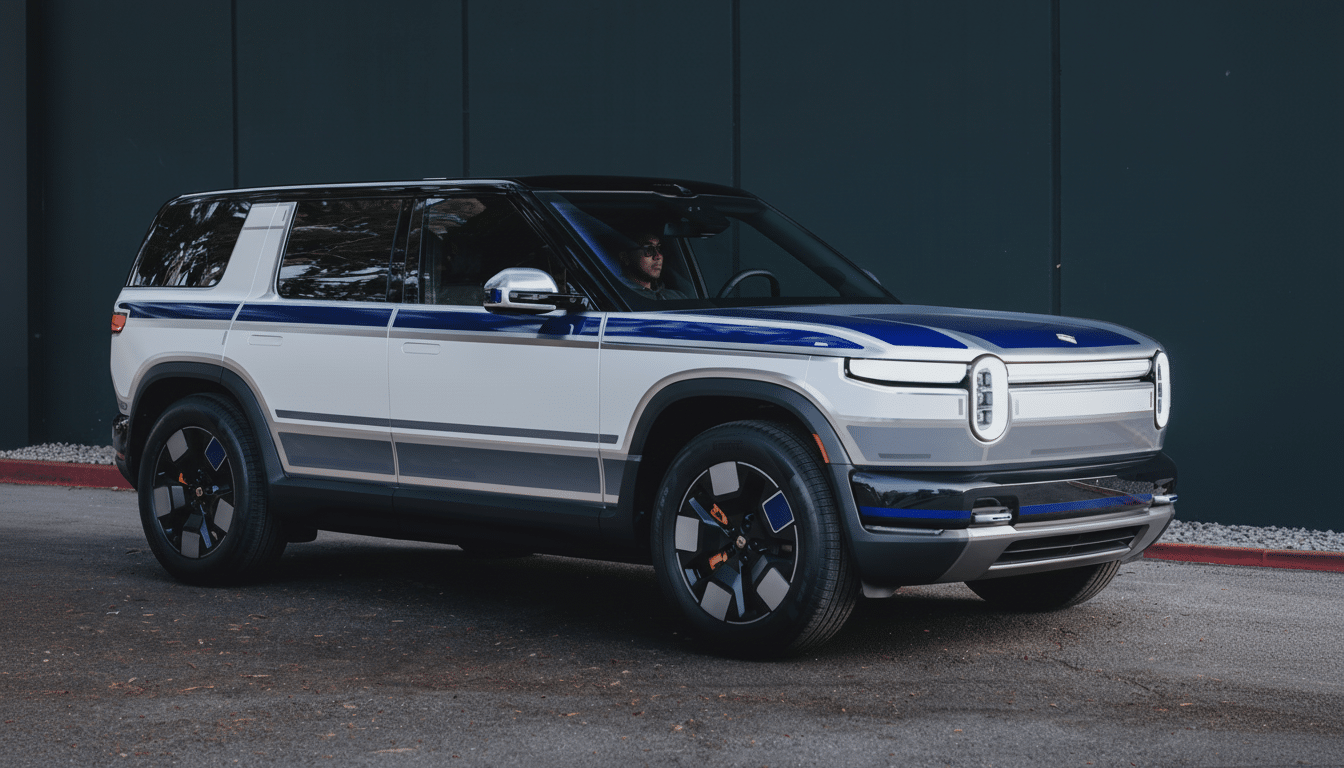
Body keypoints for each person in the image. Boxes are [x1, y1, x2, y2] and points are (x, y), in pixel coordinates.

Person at [617, 234, 686, 300]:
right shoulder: (618, 297)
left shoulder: (677, 296)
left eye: (659, 249)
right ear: (625, 257)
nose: (658, 256)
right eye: (648, 250)